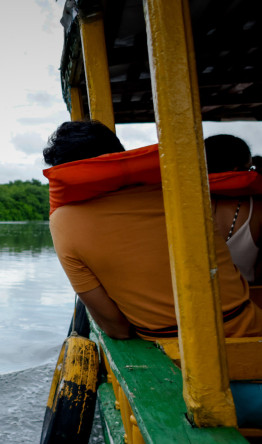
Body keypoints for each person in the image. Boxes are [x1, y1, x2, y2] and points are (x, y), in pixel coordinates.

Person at [43, 121, 262, 340]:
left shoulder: (63, 223)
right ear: (120, 156)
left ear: (61, 174)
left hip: (168, 351)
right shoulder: (176, 188)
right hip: (249, 330)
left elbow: (117, 329)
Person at [205, 134, 261, 282]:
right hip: (244, 301)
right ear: (238, 169)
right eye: (251, 168)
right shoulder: (257, 209)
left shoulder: (174, 205)